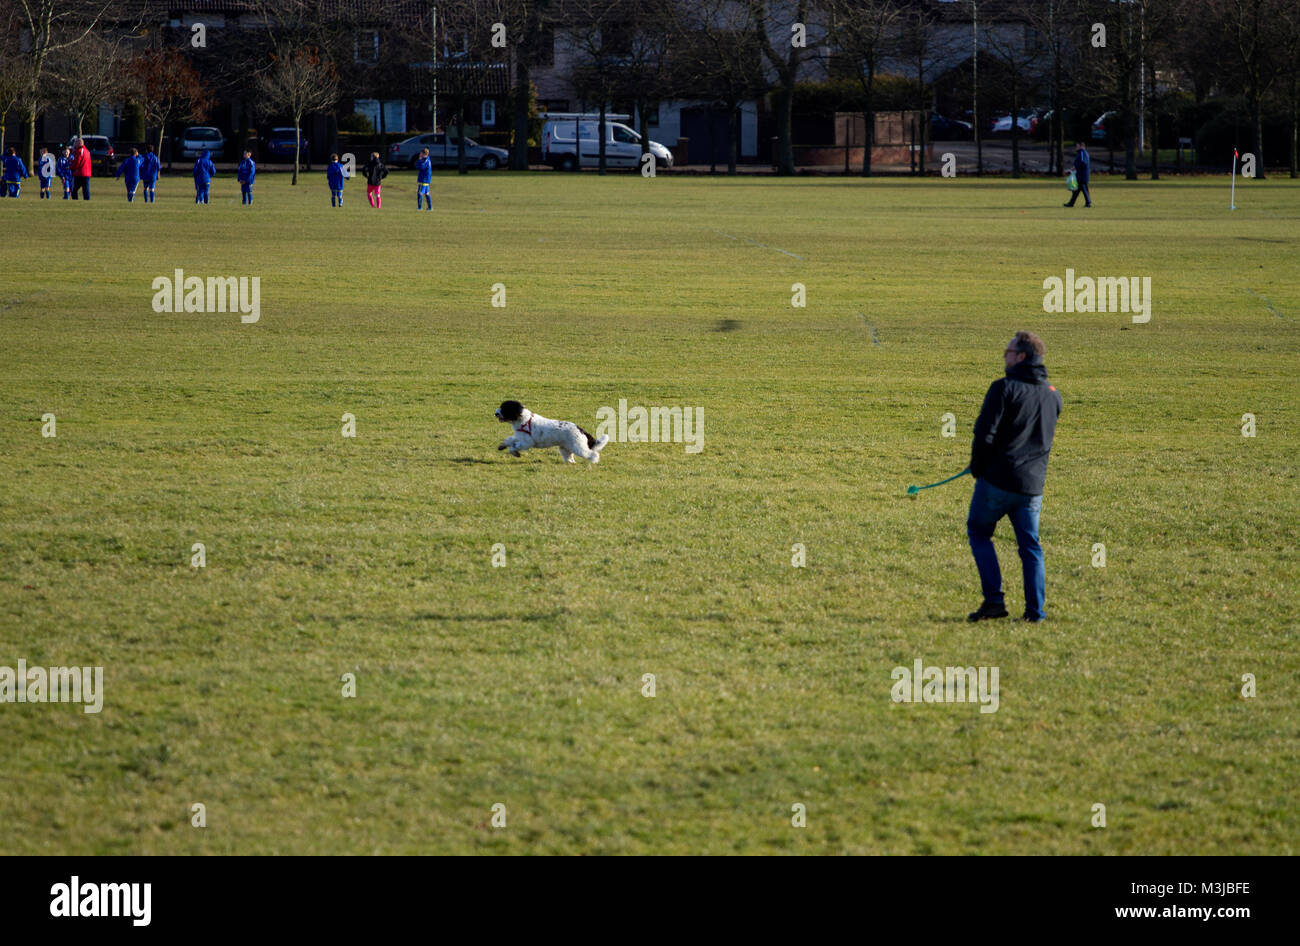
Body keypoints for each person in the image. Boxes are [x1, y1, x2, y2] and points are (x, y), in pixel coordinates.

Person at [966, 331, 1063, 624]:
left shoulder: (1003, 388)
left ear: (1021, 356)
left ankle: (994, 601)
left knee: (979, 533)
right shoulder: (1053, 395)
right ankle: (1036, 613)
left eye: (1007, 352)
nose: (1004, 357)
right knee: (1031, 547)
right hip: (1032, 487)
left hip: (996, 481)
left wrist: (977, 467)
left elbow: (984, 433)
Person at [1064, 142, 1091, 208]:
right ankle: (1071, 203)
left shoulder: (1082, 152)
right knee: (1077, 190)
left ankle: (1088, 203)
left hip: (1082, 175)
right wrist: (1073, 168)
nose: (1076, 148)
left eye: (1077, 146)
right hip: (1082, 174)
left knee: (1083, 189)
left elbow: (1082, 162)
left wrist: (1075, 168)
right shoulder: (1082, 153)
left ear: (1081, 146)